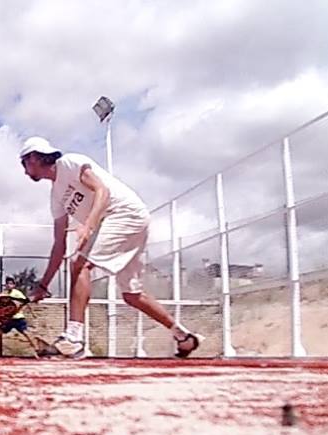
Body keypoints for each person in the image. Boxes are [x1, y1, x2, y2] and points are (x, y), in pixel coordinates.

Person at [19, 136, 204, 359]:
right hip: (121, 222)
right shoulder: (56, 197)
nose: (25, 171)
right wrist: (43, 285)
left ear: (34, 158)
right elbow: (58, 245)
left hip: (125, 214)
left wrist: (88, 225)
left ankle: (73, 338)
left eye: (24, 163)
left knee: (80, 264)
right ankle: (184, 337)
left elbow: (102, 191)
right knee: (132, 295)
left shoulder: (69, 162)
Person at [0, 277, 37, 358]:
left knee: (27, 334)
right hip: (8, 319)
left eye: (11, 284)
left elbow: (25, 302)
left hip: (18, 318)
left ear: (14, 285)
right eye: (7, 284)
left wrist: (30, 312)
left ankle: (37, 350)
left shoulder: (17, 293)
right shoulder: (4, 294)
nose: (9, 285)